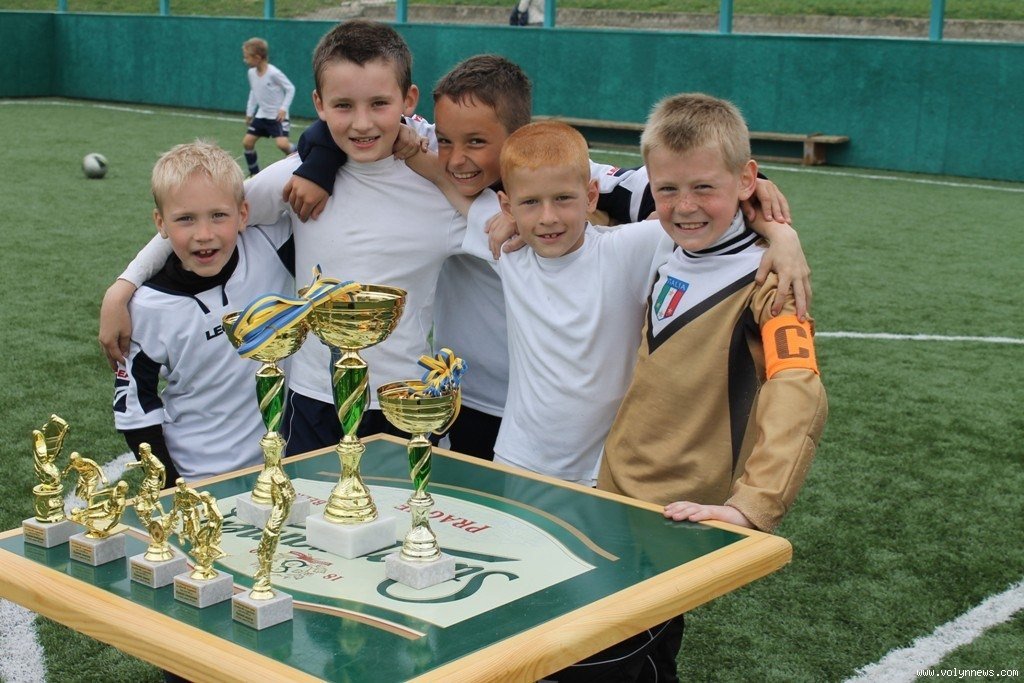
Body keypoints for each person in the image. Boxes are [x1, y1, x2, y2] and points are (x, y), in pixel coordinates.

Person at [279, 54, 807, 461]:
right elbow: (351, 114)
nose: (457, 158)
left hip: (579, 425)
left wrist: (778, 232)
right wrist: (318, 163)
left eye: (477, 142)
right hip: (473, 402)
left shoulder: (565, 172)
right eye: (446, 141)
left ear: (519, 139)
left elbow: (686, 195)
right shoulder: (435, 156)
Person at [592, 93, 829, 682]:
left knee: (604, 663)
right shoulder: (663, 237)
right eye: (668, 190)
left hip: (674, 518)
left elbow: (798, 389)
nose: (685, 206)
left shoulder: (770, 283)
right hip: (612, 493)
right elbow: (567, 177)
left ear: (747, 180)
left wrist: (754, 504)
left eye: (704, 188)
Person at [112, 140, 295, 483]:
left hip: (289, 463)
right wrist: (172, 487)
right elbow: (136, 411)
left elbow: (306, 159)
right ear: (161, 224)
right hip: (199, 475)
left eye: (218, 215)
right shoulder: (147, 307)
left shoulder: (269, 246)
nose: (204, 234)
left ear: (243, 214)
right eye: (186, 219)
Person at [242, 37, 297, 176]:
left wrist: (283, 108)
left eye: (247, 57)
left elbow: (290, 88)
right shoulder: (251, 73)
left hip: (277, 117)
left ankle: (302, 154)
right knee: (247, 143)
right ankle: (254, 174)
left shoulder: (274, 73)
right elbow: (254, 92)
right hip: (262, 116)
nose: (245, 60)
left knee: (283, 145)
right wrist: (249, 113)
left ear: (257, 57)